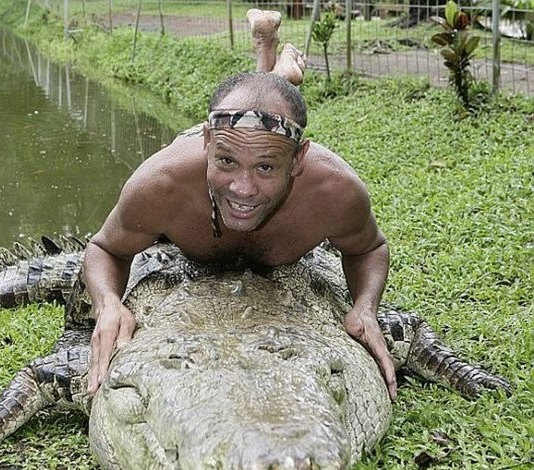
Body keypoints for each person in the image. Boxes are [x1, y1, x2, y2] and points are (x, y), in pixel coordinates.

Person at [84, 10, 397, 400]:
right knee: (254, 123)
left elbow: (368, 247)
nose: (243, 189)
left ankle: (275, 68)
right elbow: (105, 247)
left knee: (261, 116)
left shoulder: (335, 189)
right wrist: (108, 303)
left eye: (266, 167)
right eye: (226, 162)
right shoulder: (160, 183)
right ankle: (274, 68)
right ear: (206, 143)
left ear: (298, 160)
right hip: (199, 152)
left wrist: (365, 305)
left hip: (258, 142)